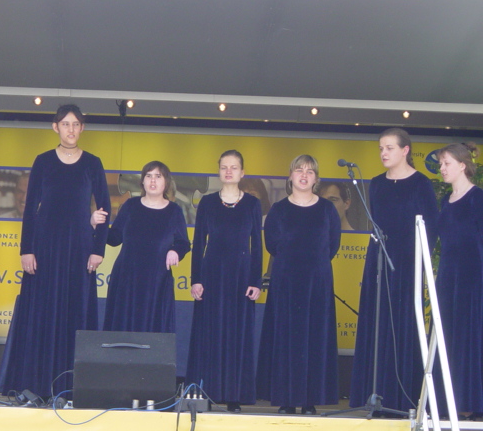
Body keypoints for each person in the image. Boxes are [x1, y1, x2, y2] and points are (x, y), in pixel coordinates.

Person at [0, 104, 110, 398]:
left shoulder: (93, 163)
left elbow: (104, 208)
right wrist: (27, 250)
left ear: (82, 128)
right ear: (55, 127)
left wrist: (98, 249)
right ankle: (36, 384)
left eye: (76, 124)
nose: (71, 129)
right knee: (41, 313)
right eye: (65, 124)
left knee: (76, 313)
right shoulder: (43, 161)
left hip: (80, 248)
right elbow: (30, 209)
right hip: (45, 248)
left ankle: (71, 388)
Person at [350, 128, 439, 413]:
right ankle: (373, 395)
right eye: (381, 148)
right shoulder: (376, 184)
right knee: (376, 322)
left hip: (407, 262)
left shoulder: (421, 183)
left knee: (402, 324)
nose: (384, 153)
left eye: (389, 148)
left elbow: (431, 227)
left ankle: (402, 398)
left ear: (405, 150)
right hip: (378, 258)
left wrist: (417, 259)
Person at [257, 154, 341, 415]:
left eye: (310, 171)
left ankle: (309, 401)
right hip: (286, 283)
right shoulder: (279, 209)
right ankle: (286, 399)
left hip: (317, 283)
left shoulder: (327, 210)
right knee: (286, 339)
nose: (304, 175)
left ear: (316, 179)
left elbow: (333, 245)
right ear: (290, 175)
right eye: (299, 170)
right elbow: (272, 244)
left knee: (314, 339)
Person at [185, 150, 262, 413]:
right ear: (219, 171)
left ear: (242, 172)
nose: (228, 172)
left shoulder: (252, 204)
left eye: (234, 167)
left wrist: (256, 281)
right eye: (224, 167)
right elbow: (198, 243)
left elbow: (257, 245)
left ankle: (234, 395)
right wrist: (196, 279)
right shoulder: (207, 202)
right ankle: (207, 391)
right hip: (212, 274)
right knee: (210, 333)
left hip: (241, 276)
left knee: (237, 335)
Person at [94, 161, 190, 333]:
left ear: (166, 182)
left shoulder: (174, 211)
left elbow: (183, 243)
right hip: (126, 278)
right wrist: (96, 226)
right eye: (148, 176)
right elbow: (114, 238)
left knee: (153, 330)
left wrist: (175, 251)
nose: (153, 180)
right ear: (143, 182)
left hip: (157, 280)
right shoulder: (130, 206)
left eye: (158, 176)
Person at [434, 142, 483, 417]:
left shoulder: (478, 198)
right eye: (441, 164)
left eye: (447, 163)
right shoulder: (445, 201)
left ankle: (473, 403)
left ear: (462, 165)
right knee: (448, 336)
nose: (442, 168)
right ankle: (448, 402)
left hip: (473, 276)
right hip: (448, 276)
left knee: (470, 336)